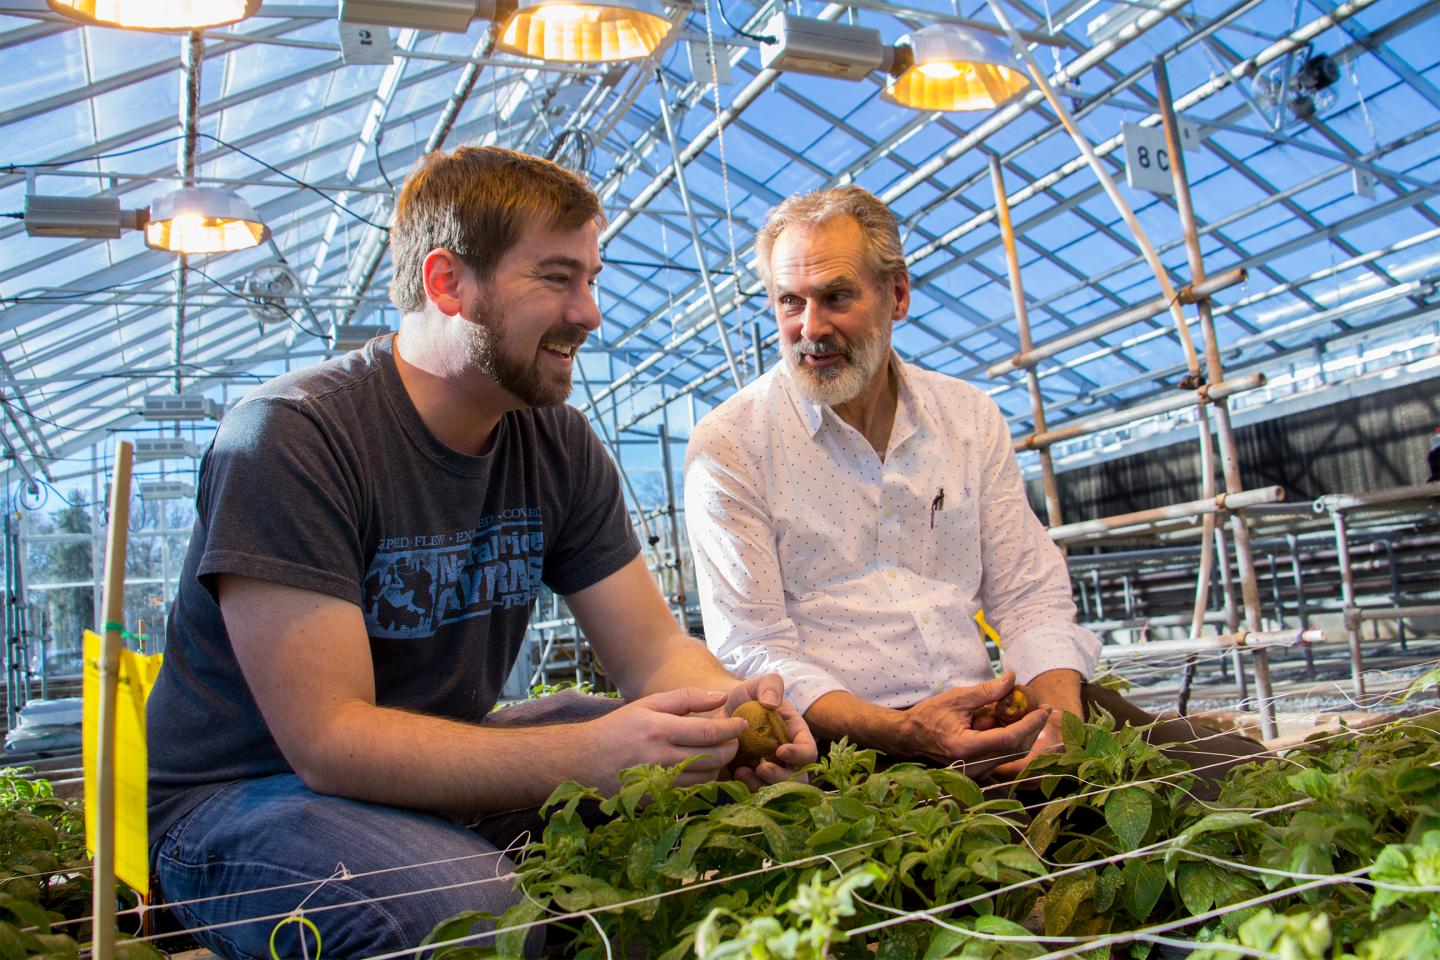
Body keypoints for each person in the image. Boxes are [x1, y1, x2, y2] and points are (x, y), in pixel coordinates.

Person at [146, 146, 815, 959]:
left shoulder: (554, 442)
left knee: (689, 777)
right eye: (556, 278)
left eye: (592, 278)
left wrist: (739, 717)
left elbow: (651, 649)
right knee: (472, 915)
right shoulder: (291, 438)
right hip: (247, 803)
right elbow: (331, 741)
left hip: (425, 769)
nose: (591, 312)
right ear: (446, 282)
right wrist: (583, 755)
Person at [684, 184, 1262, 787]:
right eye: (789, 302)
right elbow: (754, 647)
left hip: (989, 710)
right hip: (848, 743)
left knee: (1233, 773)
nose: (811, 327)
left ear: (897, 295)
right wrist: (896, 730)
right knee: (995, 856)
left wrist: (1059, 719)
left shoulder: (966, 417)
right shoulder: (731, 445)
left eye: (836, 296)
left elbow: (1027, 594)